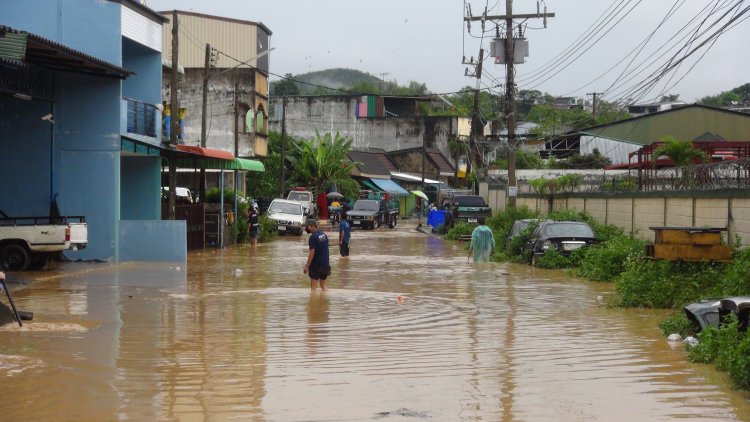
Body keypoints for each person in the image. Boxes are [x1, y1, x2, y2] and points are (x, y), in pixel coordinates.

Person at [303, 219, 330, 291]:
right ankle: (325, 300)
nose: (306, 228)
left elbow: (312, 253)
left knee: (313, 288)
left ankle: (313, 301)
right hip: (325, 265)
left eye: (307, 226)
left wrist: (306, 266)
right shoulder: (324, 235)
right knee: (323, 284)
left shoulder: (313, 237)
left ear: (312, 226)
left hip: (316, 266)